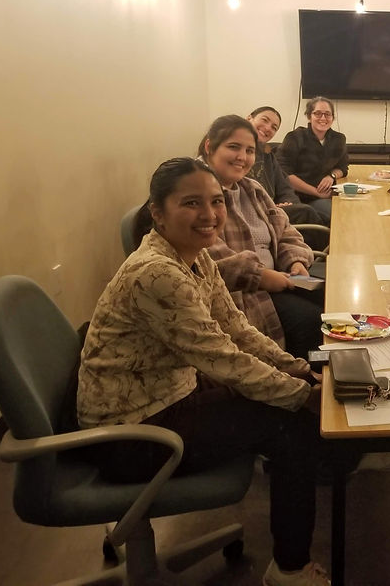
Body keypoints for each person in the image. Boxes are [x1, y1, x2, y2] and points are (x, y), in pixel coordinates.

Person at [78, 157, 330, 586]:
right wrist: (301, 395)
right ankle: (289, 568)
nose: (210, 215)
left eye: (216, 201)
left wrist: (301, 371)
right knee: (292, 428)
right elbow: (223, 358)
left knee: (285, 404)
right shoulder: (158, 273)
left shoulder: (193, 257)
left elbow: (237, 331)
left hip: (168, 396)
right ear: (158, 212)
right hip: (130, 433)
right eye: (191, 203)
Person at [197, 115, 324, 359]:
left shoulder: (251, 188)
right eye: (233, 147)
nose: (242, 157)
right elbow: (205, 257)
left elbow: (285, 230)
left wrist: (294, 260)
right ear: (209, 146)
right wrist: (261, 276)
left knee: (336, 294)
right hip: (242, 291)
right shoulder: (198, 192)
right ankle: (304, 385)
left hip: (283, 276)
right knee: (311, 320)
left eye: (249, 150)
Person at [246, 106, 326, 227]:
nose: (268, 128)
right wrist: (272, 207)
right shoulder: (236, 155)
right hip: (255, 216)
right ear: (249, 118)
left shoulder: (268, 157)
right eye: (264, 120)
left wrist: (288, 202)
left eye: (274, 127)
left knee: (328, 218)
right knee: (307, 212)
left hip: (276, 211)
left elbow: (285, 187)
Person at [278, 97, 349, 224]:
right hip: (298, 198)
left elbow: (343, 168)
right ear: (309, 116)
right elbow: (284, 174)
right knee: (339, 217)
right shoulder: (294, 138)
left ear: (332, 117)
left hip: (326, 196)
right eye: (317, 113)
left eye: (327, 114)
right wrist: (316, 192)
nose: (323, 118)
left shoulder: (338, 139)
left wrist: (331, 176)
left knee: (351, 211)